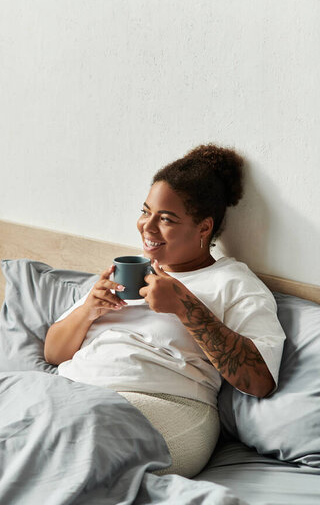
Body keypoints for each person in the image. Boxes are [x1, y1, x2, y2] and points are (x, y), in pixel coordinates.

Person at [44, 144, 286, 478]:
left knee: (63, 450)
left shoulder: (233, 283)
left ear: (203, 227)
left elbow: (260, 381)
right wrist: (89, 309)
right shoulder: (129, 272)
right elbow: (53, 353)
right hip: (72, 389)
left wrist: (184, 307)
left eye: (167, 219)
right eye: (146, 212)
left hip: (166, 405)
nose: (147, 227)